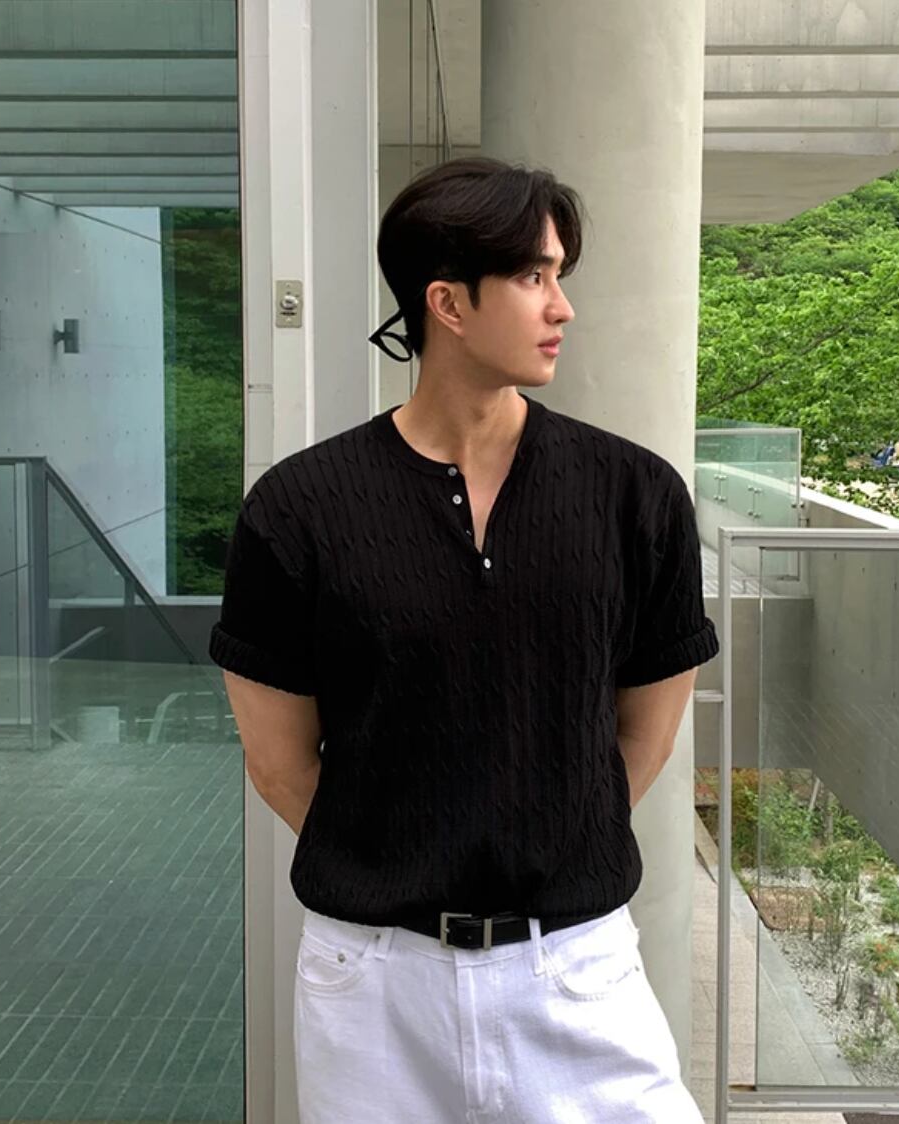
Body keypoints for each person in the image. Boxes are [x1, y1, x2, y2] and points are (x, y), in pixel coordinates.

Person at [210, 156, 719, 1122]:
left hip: (577, 970)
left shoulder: (634, 496)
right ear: (446, 303)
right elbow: (278, 764)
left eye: (559, 274)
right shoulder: (301, 509)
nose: (562, 306)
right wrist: (402, 865)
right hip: (373, 989)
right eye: (532, 276)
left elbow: (646, 731)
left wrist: (549, 838)